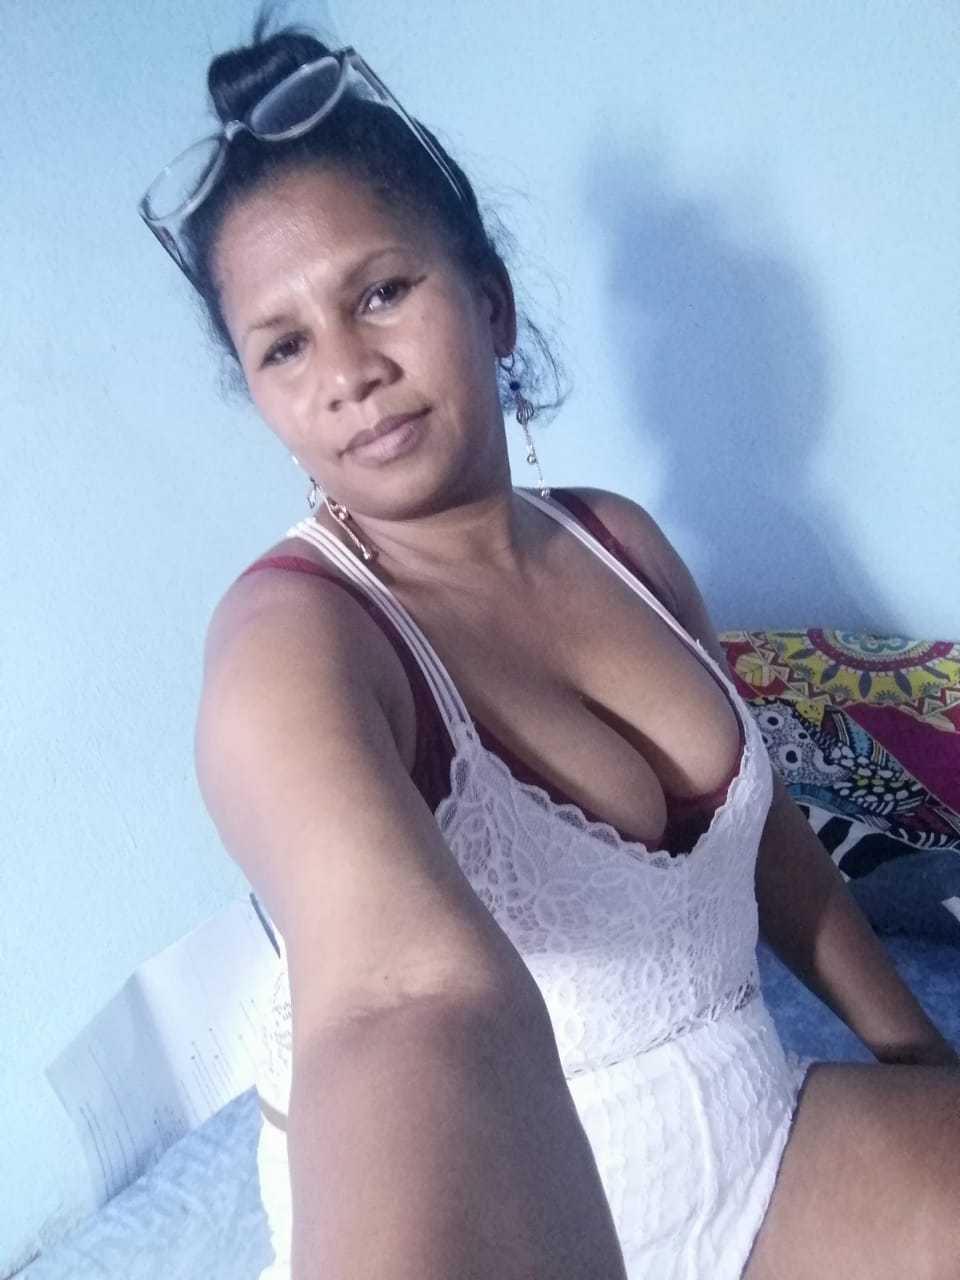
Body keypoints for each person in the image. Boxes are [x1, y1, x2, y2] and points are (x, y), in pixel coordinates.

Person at [140, 12, 960, 1279]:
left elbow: (770, 847)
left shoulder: (619, 542)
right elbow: (398, 999)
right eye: (284, 345)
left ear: (492, 303)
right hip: (517, 1220)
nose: (348, 370)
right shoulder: (290, 642)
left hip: (752, 1130)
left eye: (380, 292)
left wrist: (917, 1057)